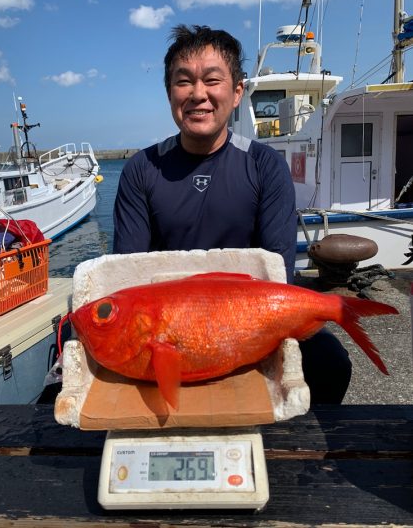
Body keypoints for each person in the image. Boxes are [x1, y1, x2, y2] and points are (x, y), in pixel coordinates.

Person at [113, 24, 351, 404]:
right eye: (183, 82)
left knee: (331, 363)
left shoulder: (264, 165)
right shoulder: (142, 169)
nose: (198, 95)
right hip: (169, 329)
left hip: (246, 319)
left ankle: (286, 450)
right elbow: (128, 272)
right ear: (169, 92)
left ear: (237, 91)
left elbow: (278, 269)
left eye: (212, 80)